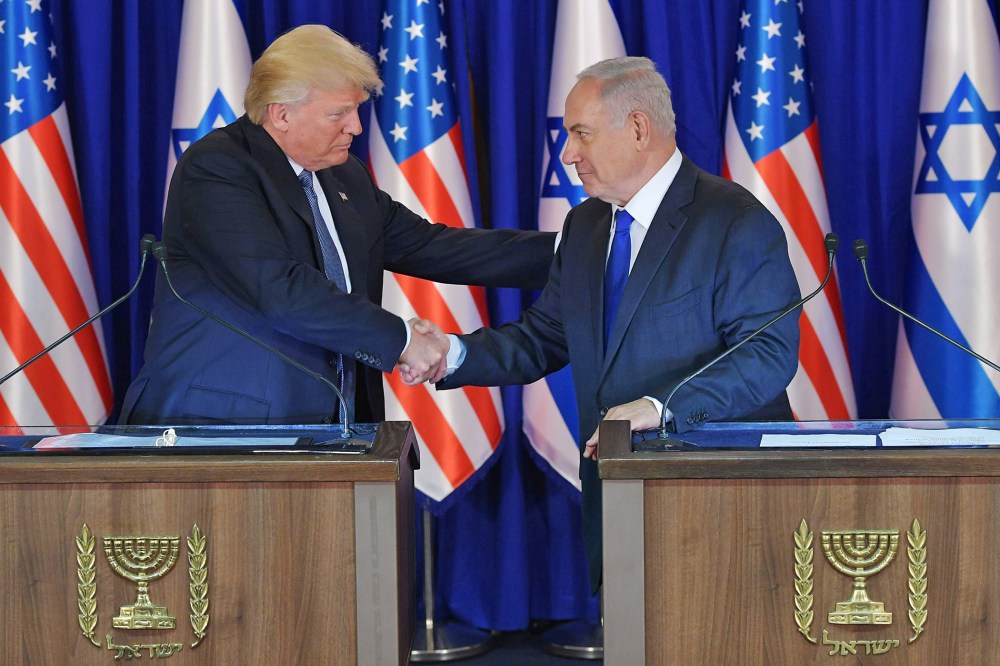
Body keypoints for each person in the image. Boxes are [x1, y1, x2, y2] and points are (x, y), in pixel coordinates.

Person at [429, 56, 801, 589]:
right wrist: (452, 354)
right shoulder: (585, 224)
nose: (567, 154)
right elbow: (545, 337)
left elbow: (766, 355)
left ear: (639, 129)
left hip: (718, 495)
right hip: (617, 489)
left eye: (581, 134)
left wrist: (661, 407)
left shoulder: (733, 221)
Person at [119, 25, 554, 426]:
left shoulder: (343, 175)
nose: (356, 127)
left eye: (357, 110)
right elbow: (282, 291)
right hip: (223, 429)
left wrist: (576, 249)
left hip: (334, 429)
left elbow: (433, 246)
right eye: (339, 114)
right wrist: (403, 340)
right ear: (281, 114)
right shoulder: (217, 168)